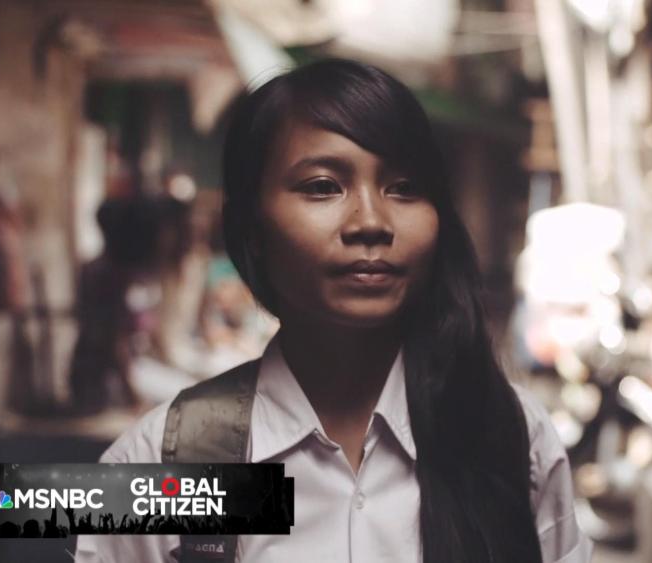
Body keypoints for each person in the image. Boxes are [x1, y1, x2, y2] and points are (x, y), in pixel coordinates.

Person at [75, 59, 592, 563]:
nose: (371, 221)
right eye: (323, 186)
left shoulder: (511, 439)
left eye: (405, 188)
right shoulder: (161, 462)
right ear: (252, 230)